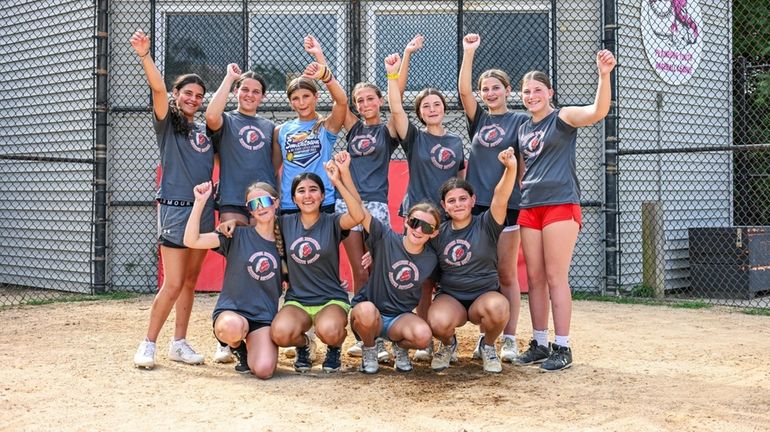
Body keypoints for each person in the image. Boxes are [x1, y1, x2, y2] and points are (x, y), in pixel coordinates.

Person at [302, 34, 425, 360]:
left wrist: (400, 64)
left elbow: (398, 101)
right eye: (361, 101)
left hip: (375, 207)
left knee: (377, 269)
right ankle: (364, 334)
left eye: (370, 99)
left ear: (380, 100)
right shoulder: (354, 127)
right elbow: (338, 97)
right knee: (358, 268)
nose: (364, 105)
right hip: (347, 203)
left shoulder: (388, 130)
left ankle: (383, 330)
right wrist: (321, 57)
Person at [513, 50, 616, 372]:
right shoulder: (523, 128)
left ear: (550, 93)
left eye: (537, 91)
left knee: (556, 276)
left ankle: (563, 346)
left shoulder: (563, 117)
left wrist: (603, 75)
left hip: (560, 204)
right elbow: (522, 169)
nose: (532, 96)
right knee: (534, 278)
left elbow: (598, 111)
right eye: (527, 92)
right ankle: (540, 343)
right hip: (530, 206)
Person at [130, 30, 214, 369]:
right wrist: (145, 56)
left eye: (198, 95)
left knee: (191, 282)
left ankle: (178, 342)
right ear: (178, 94)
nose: (193, 99)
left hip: (203, 211)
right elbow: (158, 89)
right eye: (188, 93)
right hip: (177, 210)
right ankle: (148, 343)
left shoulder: (203, 130)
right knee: (174, 282)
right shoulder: (168, 123)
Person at [385, 51, 466, 361]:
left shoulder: (457, 142)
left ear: (444, 109)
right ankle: (421, 338)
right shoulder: (414, 138)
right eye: (426, 106)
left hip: (445, 222)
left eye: (437, 104)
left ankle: (445, 336)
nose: (432, 109)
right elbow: (394, 107)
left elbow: (459, 180)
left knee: (443, 277)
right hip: (418, 219)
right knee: (418, 278)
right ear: (419, 112)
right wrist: (393, 75)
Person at [458, 33, 528, 362]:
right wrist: (469, 52)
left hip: (508, 204)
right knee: (482, 273)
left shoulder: (520, 120)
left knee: (506, 274)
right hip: (478, 206)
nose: (489, 93)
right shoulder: (479, 119)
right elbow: (463, 91)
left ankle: (510, 338)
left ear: (507, 91)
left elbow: (527, 163)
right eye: (486, 88)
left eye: (495, 87)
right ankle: (488, 337)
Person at [205, 63, 277, 364]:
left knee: (266, 261)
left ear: (262, 97)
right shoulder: (226, 121)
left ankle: (263, 319)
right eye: (244, 90)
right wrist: (230, 76)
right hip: (234, 202)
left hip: (263, 205)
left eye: (255, 91)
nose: (249, 95)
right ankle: (228, 338)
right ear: (237, 92)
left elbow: (274, 167)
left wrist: (274, 202)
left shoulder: (269, 127)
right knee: (236, 263)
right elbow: (209, 116)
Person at [269, 152, 365, 373]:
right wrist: (233, 223)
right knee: (280, 333)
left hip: (330, 298)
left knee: (330, 330)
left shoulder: (332, 222)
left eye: (313, 190)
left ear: (322, 195)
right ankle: (305, 345)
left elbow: (358, 215)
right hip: (298, 300)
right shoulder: (284, 223)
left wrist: (337, 181)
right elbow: (257, 224)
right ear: (293, 198)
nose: (308, 195)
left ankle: (334, 348)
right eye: (301, 191)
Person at [427, 147, 518, 373]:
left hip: (483, 295)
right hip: (452, 296)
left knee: (498, 308)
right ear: (444, 206)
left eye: (463, 199)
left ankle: (487, 345)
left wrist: (511, 168)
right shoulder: (438, 232)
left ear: (472, 200)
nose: (458, 204)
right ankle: (448, 345)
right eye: (451, 200)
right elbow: (409, 247)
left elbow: (500, 197)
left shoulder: (486, 223)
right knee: (437, 321)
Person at [182, 181, 281, 379]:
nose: (260, 207)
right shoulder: (235, 235)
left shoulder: (285, 239)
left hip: (263, 317)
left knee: (264, 370)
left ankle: (253, 347)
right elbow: (191, 241)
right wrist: (199, 202)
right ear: (249, 211)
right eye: (253, 204)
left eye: (263, 201)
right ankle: (236, 347)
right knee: (232, 328)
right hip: (233, 312)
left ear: (276, 203)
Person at [349, 201, 440, 374]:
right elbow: (360, 211)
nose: (419, 230)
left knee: (423, 337)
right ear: (406, 221)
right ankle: (369, 349)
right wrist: (340, 179)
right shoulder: (386, 237)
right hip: (371, 314)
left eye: (427, 228)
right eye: (415, 223)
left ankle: (399, 347)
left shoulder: (431, 259)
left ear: (434, 233)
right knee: (366, 312)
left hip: (399, 318)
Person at [273, 61, 348, 215]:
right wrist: (278, 197)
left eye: (306, 96)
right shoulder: (280, 130)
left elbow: (341, 102)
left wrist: (326, 76)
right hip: (290, 202)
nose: (301, 103)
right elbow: (274, 169)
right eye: (295, 98)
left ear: (316, 97)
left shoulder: (326, 126)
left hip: (322, 200)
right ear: (290, 102)